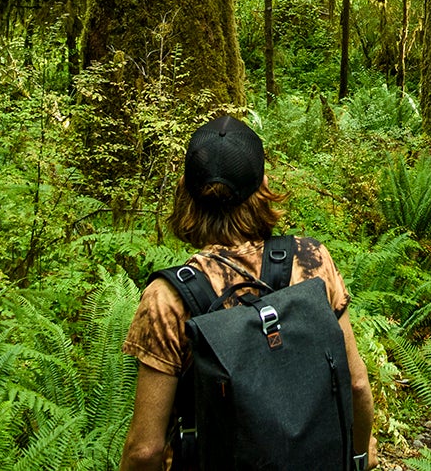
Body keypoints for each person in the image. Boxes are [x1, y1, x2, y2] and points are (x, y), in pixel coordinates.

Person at [119, 114, 376, 471]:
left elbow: (145, 451)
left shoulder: (168, 299)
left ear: (184, 191)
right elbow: (357, 384)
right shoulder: (312, 260)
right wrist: (359, 457)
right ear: (264, 186)